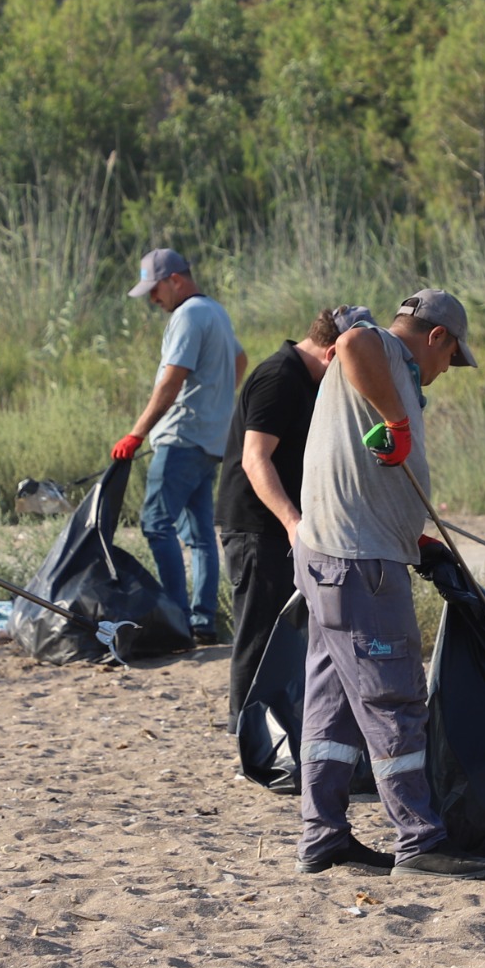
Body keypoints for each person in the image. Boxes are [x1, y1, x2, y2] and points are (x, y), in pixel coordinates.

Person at [294, 289, 485, 880]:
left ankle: (323, 837)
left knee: (332, 708)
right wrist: (398, 421)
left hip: (336, 554)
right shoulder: (381, 347)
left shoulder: (388, 372)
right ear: (436, 336)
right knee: (395, 701)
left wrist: (414, 537)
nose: (446, 370)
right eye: (451, 357)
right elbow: (353, 340)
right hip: (358, 564)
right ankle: (419, 839)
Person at [216, 305, 373, 721]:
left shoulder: (307, 381)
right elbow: (255, 458)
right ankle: (246, 732)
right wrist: (292, 521)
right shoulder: (279, 378)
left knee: (286, 638)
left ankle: (279, 729)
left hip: (285, 527)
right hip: (258, 528)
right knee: (259, 636)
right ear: (334, 353)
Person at [111, 248, 243, 644]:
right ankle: (203, 622)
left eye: (155, 290)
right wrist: (216, 403)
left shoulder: (187, 315)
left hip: (182, 437)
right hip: (209, 440)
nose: (153, 299)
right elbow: (240, 359)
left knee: (156, 523)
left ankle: (176, 617)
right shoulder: (215, 311)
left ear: (175, 280)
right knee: (201, 534)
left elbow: (171, 381)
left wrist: (136, 434)